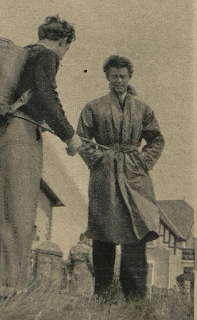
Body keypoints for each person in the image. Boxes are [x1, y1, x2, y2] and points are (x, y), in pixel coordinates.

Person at [0, 15, 82, 300]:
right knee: (18, 213)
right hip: (18, 133)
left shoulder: (22, 54)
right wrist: (70, 135)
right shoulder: (46, 55)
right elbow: (47, 96)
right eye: (66, 49)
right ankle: (10, 291)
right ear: (62, 41)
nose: (64, 54)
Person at [76, 55, 165, 300]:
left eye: (123, 76)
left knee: (136, 234)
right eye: (114, 76)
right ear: (107, 77)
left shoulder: (143, 109)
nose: (119, 81)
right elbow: (81, 138)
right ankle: (102, 296)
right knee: (103, 234)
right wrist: (99, 159)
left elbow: (156, 139)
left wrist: (141, 161)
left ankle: (135, 300)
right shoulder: (94, 107)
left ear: (129, 78)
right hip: (104, 177)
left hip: (135, 178)